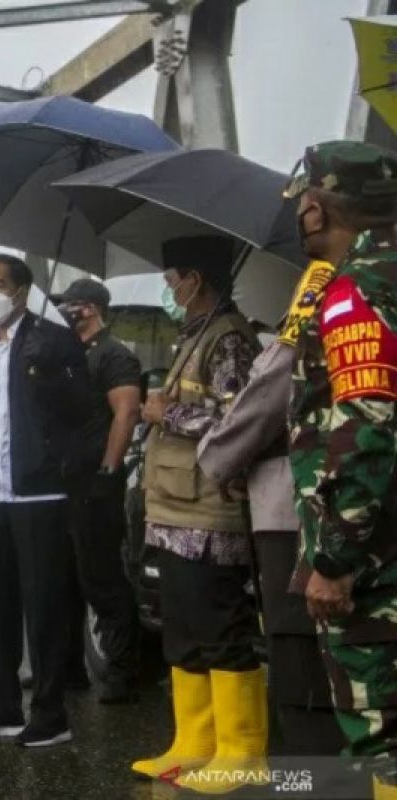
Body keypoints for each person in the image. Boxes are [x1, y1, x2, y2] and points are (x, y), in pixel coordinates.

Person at [130, 237, 264, 792]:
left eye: (173, 276)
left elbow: (238, 422)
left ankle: (241, 750)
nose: (169, 286)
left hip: (208, 513)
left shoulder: (229, 338)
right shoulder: (195, 334)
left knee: (220, 627)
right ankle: (193, 744)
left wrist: (168, 411)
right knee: (182, 630)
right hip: (173, 509)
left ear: (197, 279)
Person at [198, 258, 345, 758]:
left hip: (299, 506)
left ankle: (316, 788)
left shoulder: (326, 279)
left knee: (302, 668)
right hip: (361, 501)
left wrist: (219, 457)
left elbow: (272, 384)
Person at [285, 142, 397, 778]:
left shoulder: (356, 292)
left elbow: (365, 429)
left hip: (377, 567)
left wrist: (334, 559)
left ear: (318, 208)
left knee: (380, 741)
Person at [0, 253, 90, 748]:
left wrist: (63, 467)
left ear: (22, 291)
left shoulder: (53, 343)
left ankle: (51, 713)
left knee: (44, 605)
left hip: (39, 493)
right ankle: (0, 705)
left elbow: (82, 417)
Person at [55, 278, 143, 705]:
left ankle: (124, 668)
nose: (66, 313)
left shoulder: (115, 354)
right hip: (64, 480)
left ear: (88, 308)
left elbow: (125, 413)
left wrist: (108, 471)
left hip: (97, 480)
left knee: (102, 576)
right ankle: (67, 666)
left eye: (71, 306)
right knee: (66, 578)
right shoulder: (70, 355)